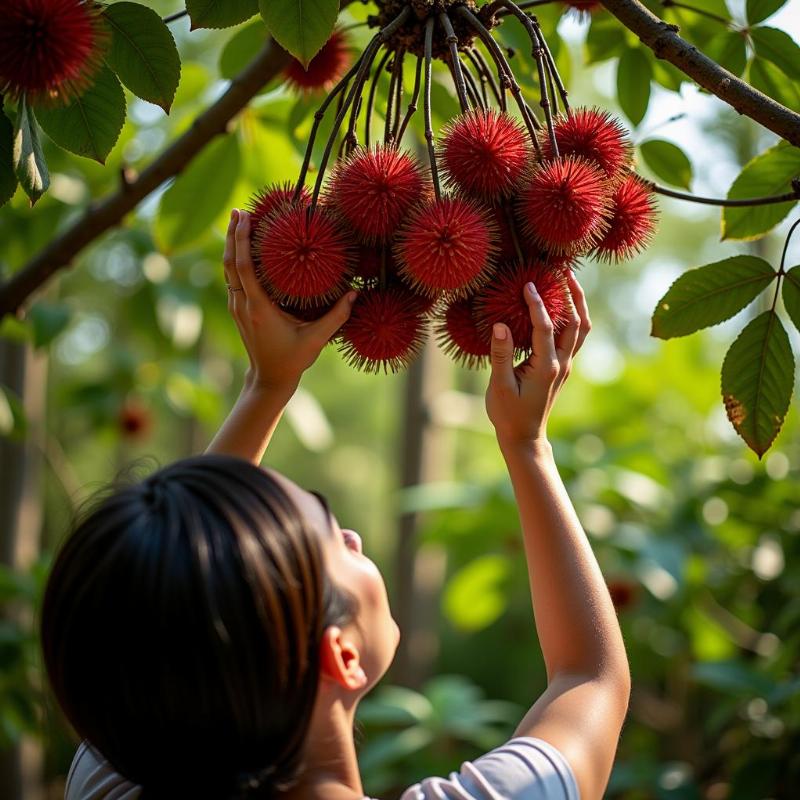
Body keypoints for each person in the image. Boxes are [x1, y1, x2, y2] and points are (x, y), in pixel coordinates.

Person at [41, 209, 630, 800]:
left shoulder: (120, 766)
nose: (353, 538)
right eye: (334, 539)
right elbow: (591, 676)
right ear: (340, 653)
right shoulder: (107, 768)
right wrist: (527, 444)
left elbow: (590, 680)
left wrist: (267, 385)